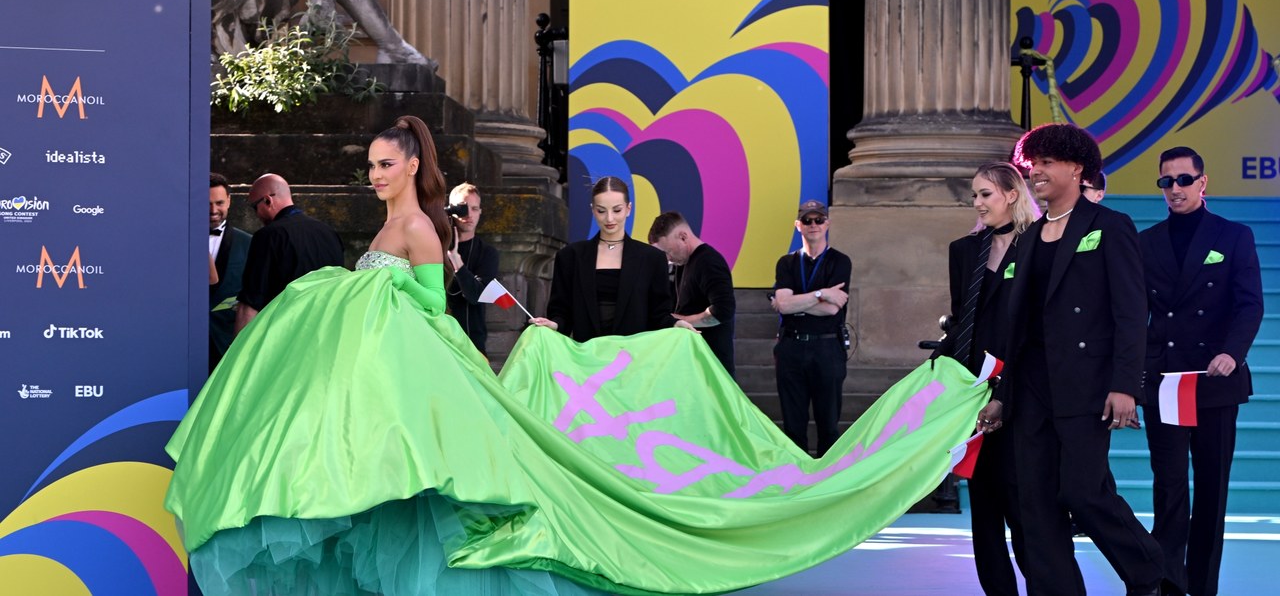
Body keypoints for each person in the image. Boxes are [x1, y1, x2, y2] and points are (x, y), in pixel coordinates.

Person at [164, 116, 992, 596]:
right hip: (418, 376)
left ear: (412, 165)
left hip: (519, 372)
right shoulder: (412, 227)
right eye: (371, 167)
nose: (375, 176)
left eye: (385, 165)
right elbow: (452, 301)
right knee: (405, 488)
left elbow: (426, 303)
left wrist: (364, 294)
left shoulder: (419, 228)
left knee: (468, 488)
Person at [983, 123, 1167, 596]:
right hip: (1029, 389)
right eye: (1032, 163)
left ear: (1076, 167)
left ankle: (1151, 573)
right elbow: (1014, 329)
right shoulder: (1027, 238)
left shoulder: (1111, 226)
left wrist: (1126, 384)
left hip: (1087, 388)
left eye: (1046, 162)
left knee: (1084, 493)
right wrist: (1002, 394)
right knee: (1035, 502)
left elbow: (1131, 312)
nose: (1035, 171)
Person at [1139, 146, 1264, 596]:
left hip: (1214, 380)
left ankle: (1203, 585)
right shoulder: (1146, 241)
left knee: (1211, 489)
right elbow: (1135, 313)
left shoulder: (1234, 235)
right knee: (1169, 488)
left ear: (1203, 181)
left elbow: (1249, 303)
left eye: (1184, 180)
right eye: (1166, 182)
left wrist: (1233, 352)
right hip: (1167, 381)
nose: (1175, 189)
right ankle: (1170, 583)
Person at [936, 162, 1038, 595]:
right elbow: (962, 320)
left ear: (1012, 195)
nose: (977, 204)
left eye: (985, 195)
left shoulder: (1039, 244)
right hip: (974, 394)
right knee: (983, 508)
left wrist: (1008, 388)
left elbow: (1038, 325)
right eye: (974, 196)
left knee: (1024, 506)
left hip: (1024, 391)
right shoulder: (964, 250)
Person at [530, 176, 693, 341]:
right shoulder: (570, 256)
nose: (609, 218)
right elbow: (561, 312)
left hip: (634, 359)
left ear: (628, 209)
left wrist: (675, 324)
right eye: (601, 210)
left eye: (617, 210)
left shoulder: (652, 258)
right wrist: (554, 325)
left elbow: (659, 314)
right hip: (586, 358)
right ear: (592, 209)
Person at [770, 200, 853, 457]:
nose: (813, 225)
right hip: (792, 347)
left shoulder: (840, 261)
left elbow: (832, 309)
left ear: (827, 223)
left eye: (818, 220)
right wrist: (821, 293)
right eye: (807, 220)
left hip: (827, 346)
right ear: (798, 226)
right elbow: (783, 306)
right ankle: (797, 483)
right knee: (793, 425)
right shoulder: (787, 263)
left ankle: (826, 483)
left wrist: (798, 303)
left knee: (828, 424)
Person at [234, 173, 345, 333]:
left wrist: (238, 351)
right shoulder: (329, 233)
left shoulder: (267, 236)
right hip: (326, 331)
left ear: (267, 200)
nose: (256, 214)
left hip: (284, 334)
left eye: (254, 207)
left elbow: (250, 302)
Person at [648, 211, 737, 377]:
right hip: (692, 366)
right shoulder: (681, 265)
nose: (668, 258)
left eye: (668, 251)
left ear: (683, 236)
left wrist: (679, 321)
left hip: (712, 368)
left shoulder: (709, 261)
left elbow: (723, 310)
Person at [445, 182, 500, 354]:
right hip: (439, 340)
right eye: (463, 207)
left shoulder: (487, 253)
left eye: (475, 208)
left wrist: (457, 263)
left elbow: (477, 295)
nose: (469, 214)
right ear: (450, 209)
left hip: (472, 344)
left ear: (480, 212)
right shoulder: (434, 247)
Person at [208, 173, 252, 372]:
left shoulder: (249, 243)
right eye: (207, 203)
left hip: (227, 341)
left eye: (219, 203)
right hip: (181, 343)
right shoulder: (176, 242)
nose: (213, 210)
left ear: (229, 201)